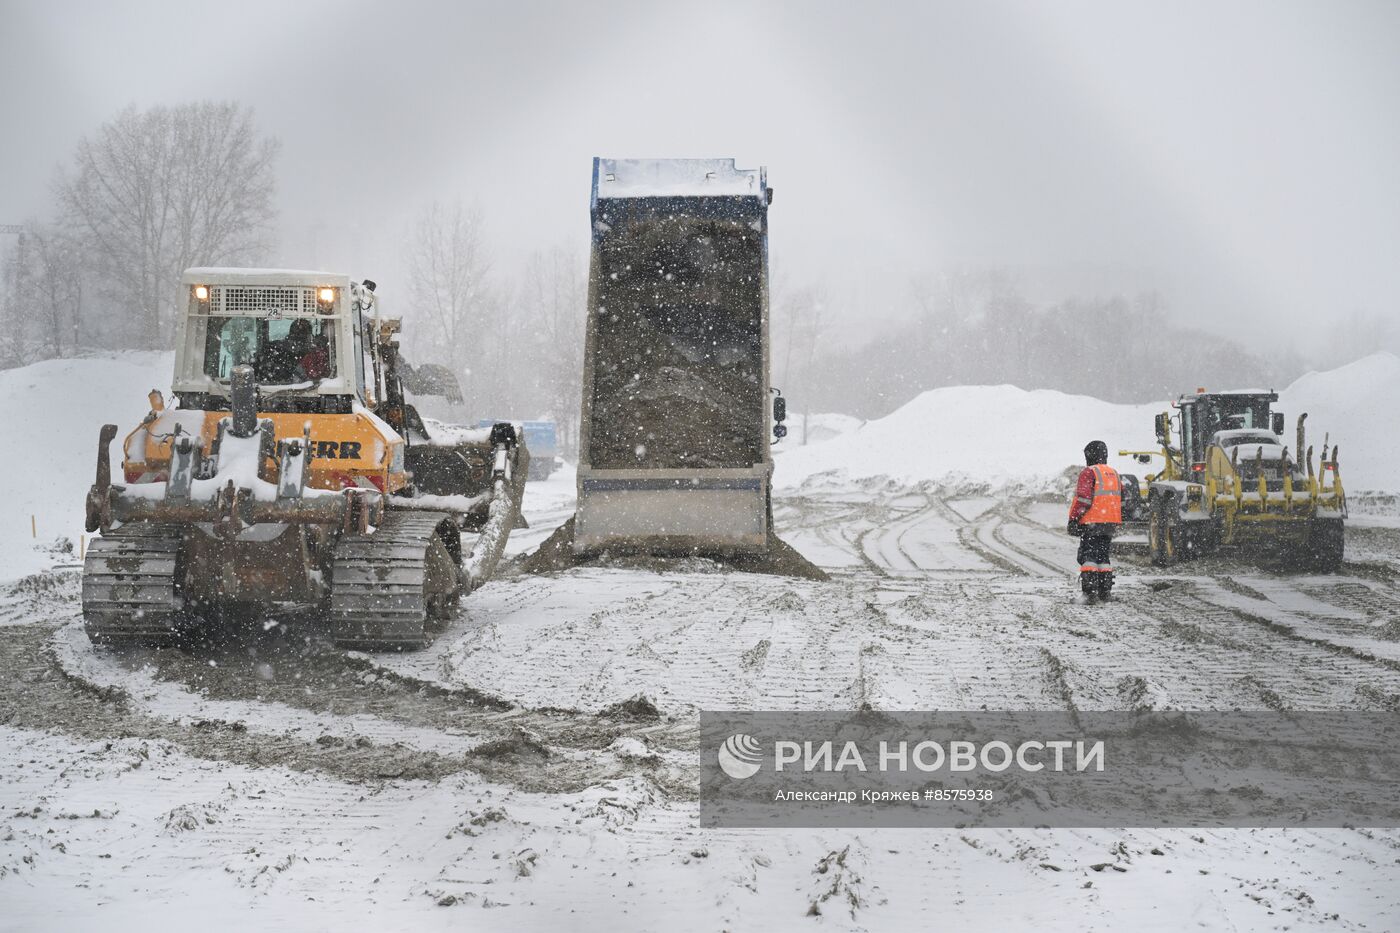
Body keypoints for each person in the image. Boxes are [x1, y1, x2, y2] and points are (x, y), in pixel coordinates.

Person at [1067, 439, 1122, 602]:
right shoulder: (1114, 473)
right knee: (1103, 556)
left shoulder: (1089, 472)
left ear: (1089, 455)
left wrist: (1074, 519)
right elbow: (1122, 498)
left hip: (1092, 521)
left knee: (1088, 556)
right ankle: (1105, 593)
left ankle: (1089, 594)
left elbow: (1084, 499)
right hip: (1110, 522)